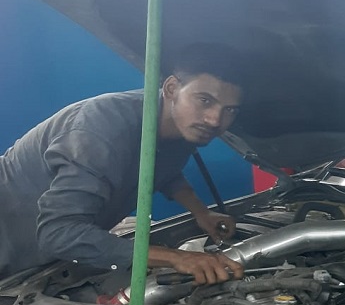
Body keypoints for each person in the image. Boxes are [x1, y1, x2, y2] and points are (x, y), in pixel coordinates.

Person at [0, 44, 246, 285]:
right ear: (171, 88)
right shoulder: (101, 132)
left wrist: (202, 213)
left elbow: (163, 171)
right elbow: (58, 233)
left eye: (230, 110)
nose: (215, 120)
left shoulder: (182, 126)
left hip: (41, 253)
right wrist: (177, 258)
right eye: (204, 100)